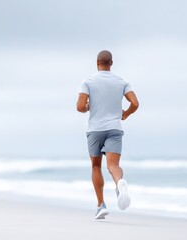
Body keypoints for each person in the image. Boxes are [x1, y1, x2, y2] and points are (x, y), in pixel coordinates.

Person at [76, 50, 139, 220]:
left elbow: (80, 107)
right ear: (111, 63)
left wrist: (88, 107)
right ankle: (119, 184)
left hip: (95, 129)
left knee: (96, 166)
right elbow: (135, 103)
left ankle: (101, 205)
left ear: (97, 63)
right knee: (113, 166)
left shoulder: (88, 81)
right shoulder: (121, 81)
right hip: (114, 128)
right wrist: (126, 114)